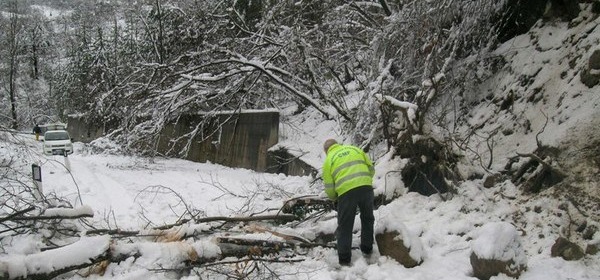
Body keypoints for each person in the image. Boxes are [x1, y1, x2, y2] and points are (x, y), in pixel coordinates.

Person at [322, 139, 375, 266]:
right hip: (366, 187)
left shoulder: (329, 159)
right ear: (338, 144)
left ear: (326, 151)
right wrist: (363, 181)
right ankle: (367, 249)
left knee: (345, 224)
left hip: (346, 192)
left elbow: (329, 188)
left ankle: (344, 258)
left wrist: (335, 197)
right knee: (367, 218)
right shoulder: (355, 149)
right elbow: (371, 169)